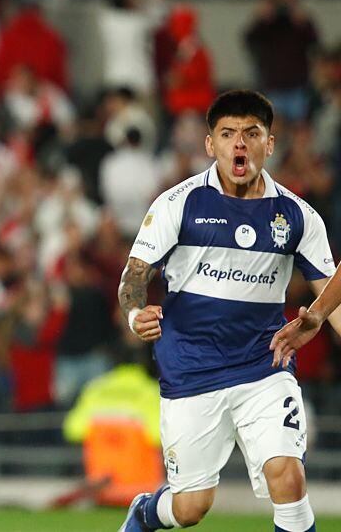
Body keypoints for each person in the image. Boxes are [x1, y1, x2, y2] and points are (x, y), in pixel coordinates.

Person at [118, 90, 340, 532]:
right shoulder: (177, 204)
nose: (239, 143)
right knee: (190, 509)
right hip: (190, 370)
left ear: (269, 144)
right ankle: (146, 511)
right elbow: (134, 276)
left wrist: (319, 317)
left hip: (264, 365)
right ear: (210, 144)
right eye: (228, 134)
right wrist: (134, 314)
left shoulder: (297, 216)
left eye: (251, 133)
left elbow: (331, 294)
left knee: (288, 477)